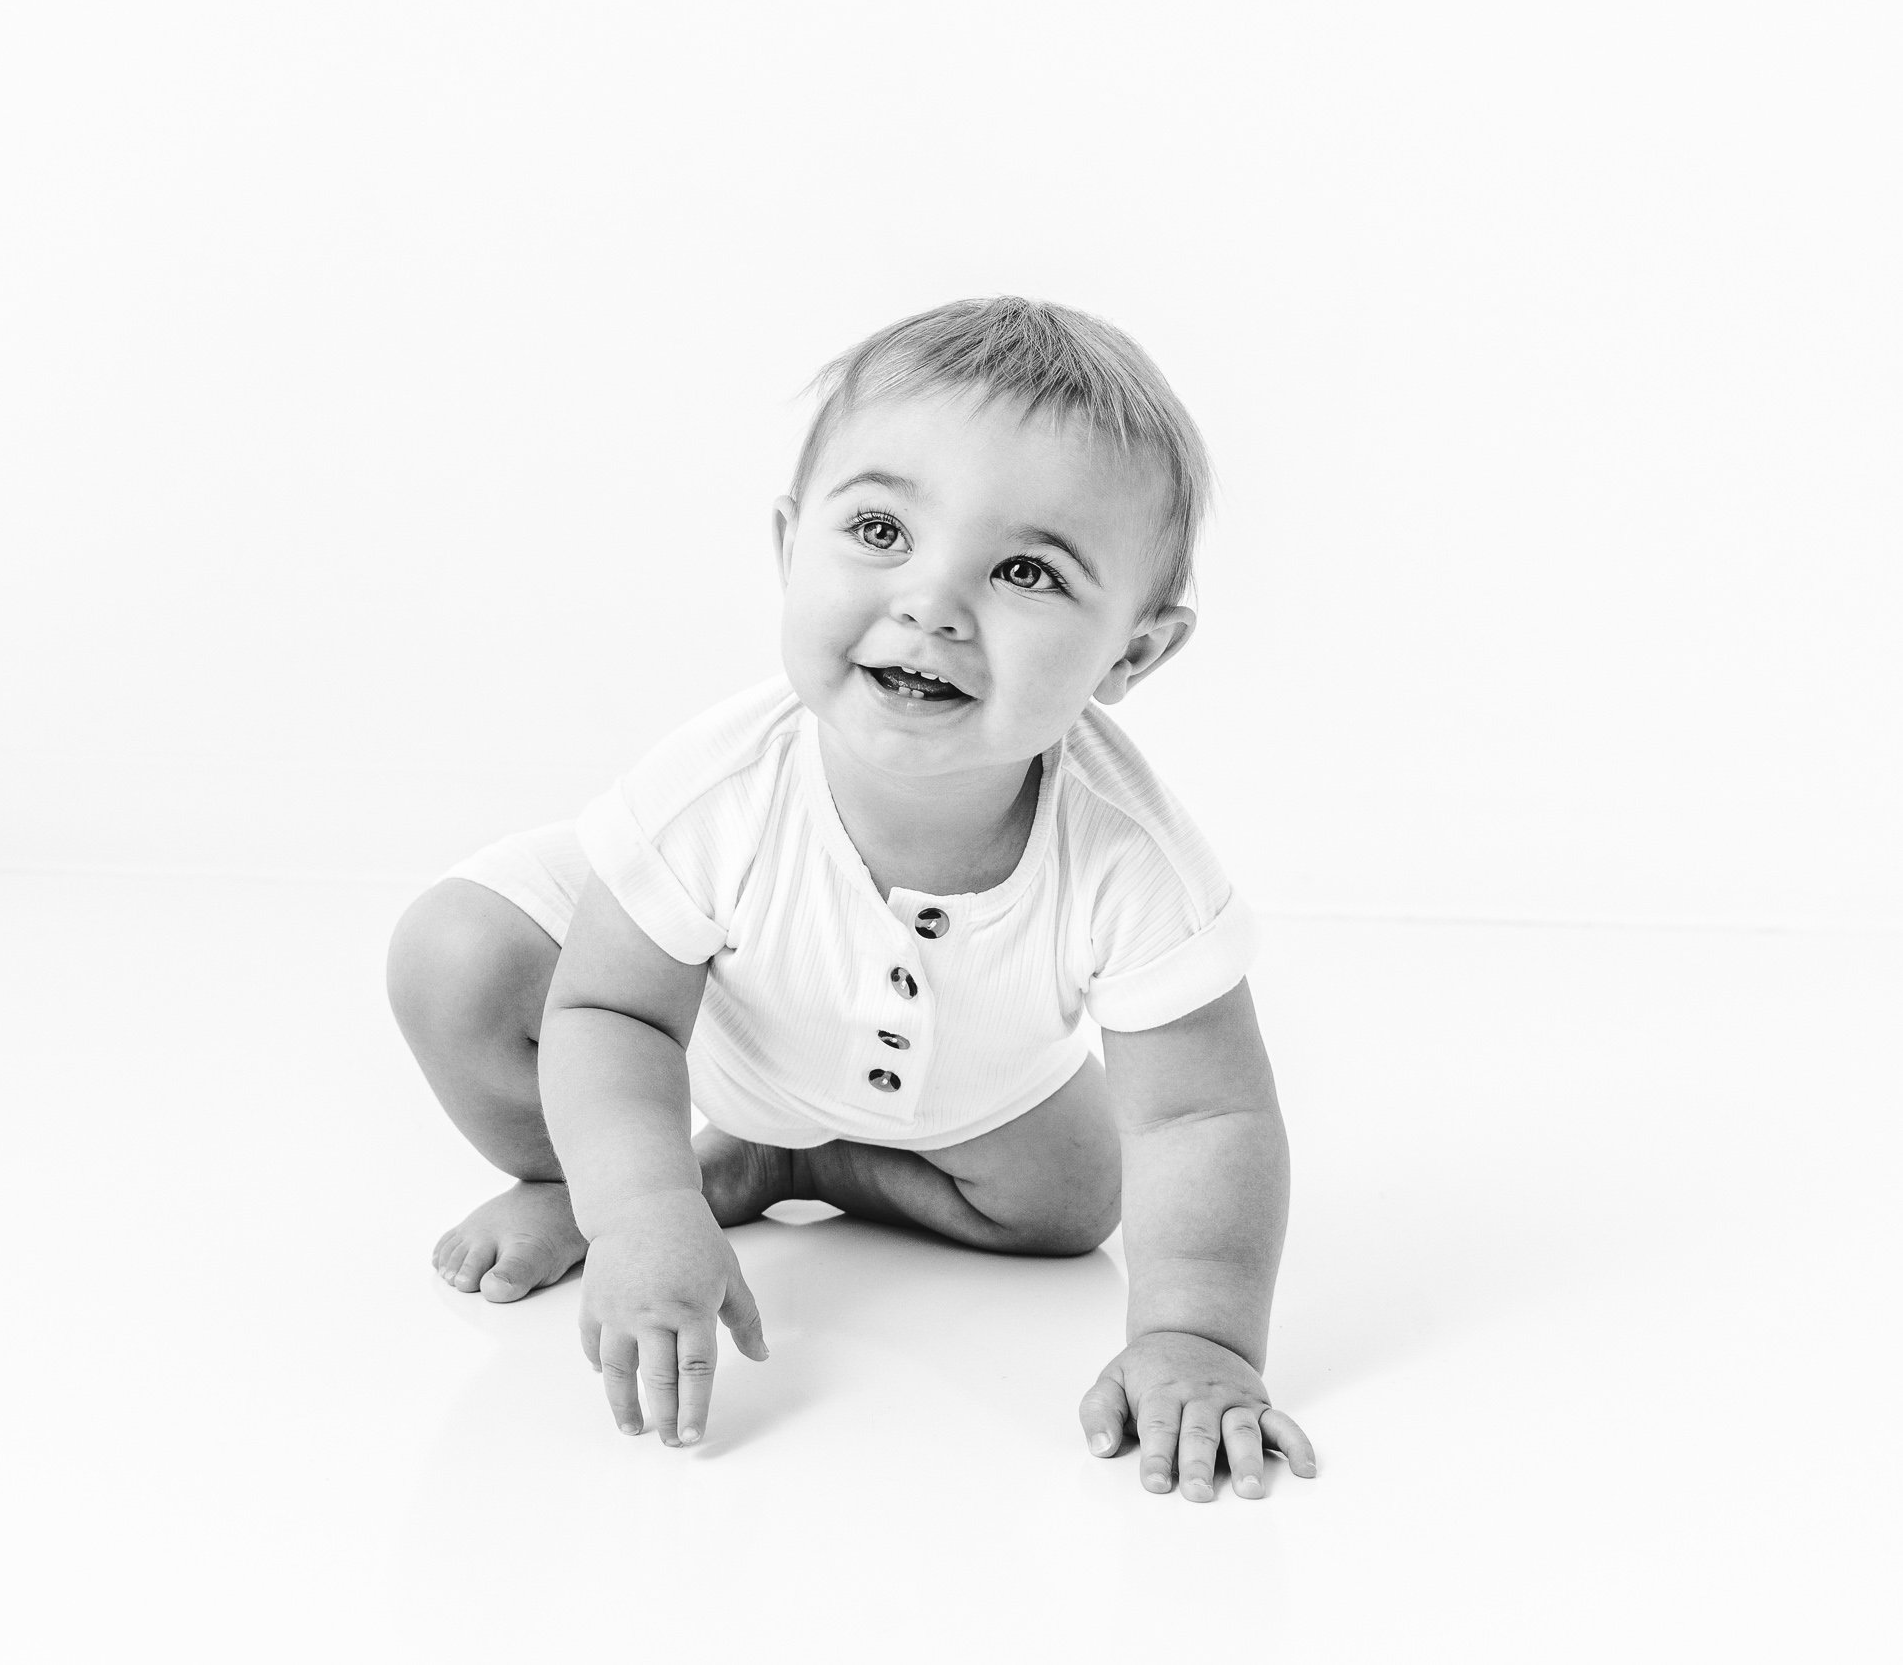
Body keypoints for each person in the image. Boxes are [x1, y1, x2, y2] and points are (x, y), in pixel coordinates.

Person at [386, 296, 1315, 1502]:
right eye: (880, 527)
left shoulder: (1130, 856)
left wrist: (1198, 1336)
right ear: (788, 547)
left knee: (1074, 1199)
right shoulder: (717, 792)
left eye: (1025, 570)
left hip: (939, 1071)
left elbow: (1202, 1119)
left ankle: (784, 1165)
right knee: (454, 959)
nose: (930, 602)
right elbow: (614, 1015)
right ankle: (605, 1173)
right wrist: (638, 1209)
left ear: (1130, 655)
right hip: (699, 1023)